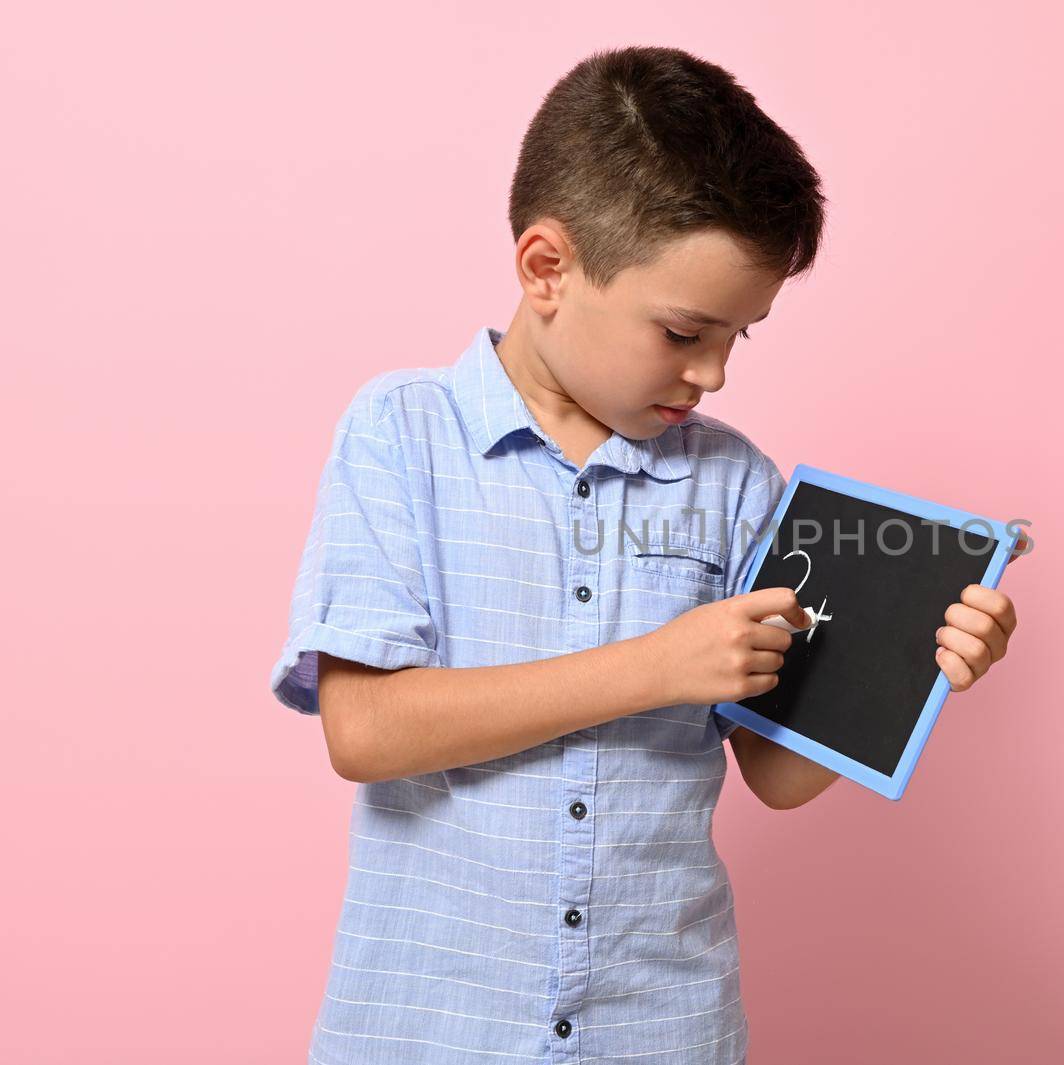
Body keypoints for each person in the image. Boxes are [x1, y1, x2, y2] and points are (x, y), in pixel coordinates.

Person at [268, 44, 1021, 1064]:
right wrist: (654, 668)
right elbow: (364, 729)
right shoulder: (403, 433)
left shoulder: (738, 485)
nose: (709, 373)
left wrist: (910, 666)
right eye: (681, 331)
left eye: (737, 339)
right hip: (428, 1029)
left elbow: (773, 771)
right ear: (547, 270)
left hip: (661, 1028)